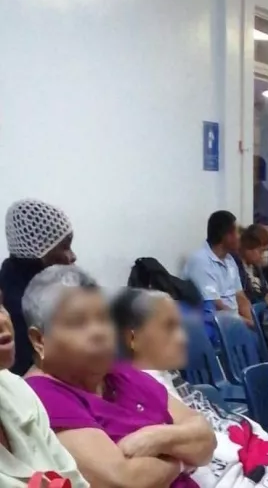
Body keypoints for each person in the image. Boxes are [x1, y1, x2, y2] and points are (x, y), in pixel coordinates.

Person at [23, 265, 216, 488]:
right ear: (40, 340)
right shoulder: (42, 396)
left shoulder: (120, 372)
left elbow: (206, 439)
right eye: (78, 323)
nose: (99, 332)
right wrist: (183, 460)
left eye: (104, 319)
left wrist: (155, 438)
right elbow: (124, 481)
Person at [111, 288, 268, 488]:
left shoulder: (167, 378)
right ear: (132, 339)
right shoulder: (137, 397)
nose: (183, 338)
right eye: (169, 327)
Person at [0, 289, 88, 487]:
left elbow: (75, 482)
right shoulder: (45, 388)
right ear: (39, 339)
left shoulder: (15, 389)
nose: (2, 321)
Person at [0, 199, 76, 376]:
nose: (73, 256)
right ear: (40, 250)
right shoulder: (22, 310)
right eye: (65, 247)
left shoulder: (18, 278)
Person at [184, 211, 253, 327]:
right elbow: (216, 306)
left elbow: (240, 296)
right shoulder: (201, 261)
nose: (239, 237)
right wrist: (246, 324)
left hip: (236, 324)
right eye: (237, 232)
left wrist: (253, 323)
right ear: (225, 235)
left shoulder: (230, 260)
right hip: (218, 327)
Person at [235, 224, 268, 306]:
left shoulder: (256, 267)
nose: (264, 255)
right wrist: (263, 300)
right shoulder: (236, 268)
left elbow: (264, 291)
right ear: (248, 248)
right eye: (261, 251)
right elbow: (245, 298)